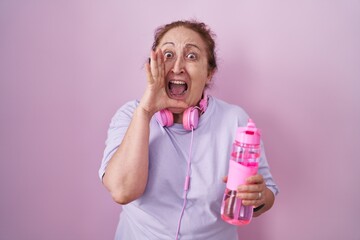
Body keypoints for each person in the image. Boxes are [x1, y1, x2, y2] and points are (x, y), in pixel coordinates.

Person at [99, 19, 279, 240]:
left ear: (209, 72)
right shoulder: (131, 115)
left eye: (191, 56)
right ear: (154, 65)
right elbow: (122, 191)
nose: (177, 67)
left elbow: (267, 193)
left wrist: (259, 198)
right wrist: (145, 112)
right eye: (168, 55)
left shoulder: (235, 120)